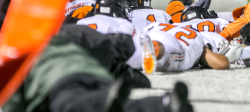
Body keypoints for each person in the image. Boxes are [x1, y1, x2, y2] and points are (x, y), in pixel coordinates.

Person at [1, 33, 193, 112]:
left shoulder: (11, 54)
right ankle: (164, 103)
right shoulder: (59, 35)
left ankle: (110, 101)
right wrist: (135, 77)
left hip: (59, 80)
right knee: (121, 103)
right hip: (94, 71)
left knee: (73, 105)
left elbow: (13, 100)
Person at [133, 22, 230, 73]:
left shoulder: (171, 25)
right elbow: (222, 64)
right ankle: (155, 48)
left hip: (153, 30)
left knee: (132, 50)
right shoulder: (199, 40)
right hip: (174, 45)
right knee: (166, 55)